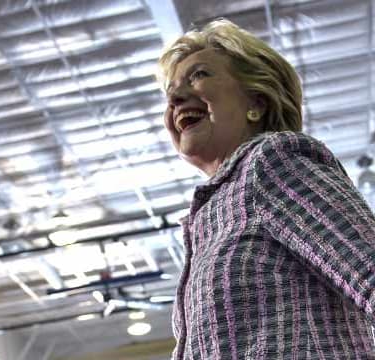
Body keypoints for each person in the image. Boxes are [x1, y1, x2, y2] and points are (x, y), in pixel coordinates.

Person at [157, 19, 375, 359]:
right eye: (170, 88)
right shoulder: (207, 220)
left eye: (199, 75)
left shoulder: (271, 161)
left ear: (256, 102)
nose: (175, 95)